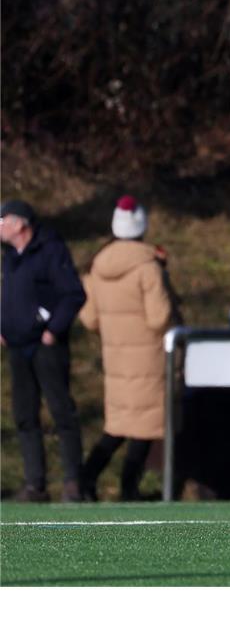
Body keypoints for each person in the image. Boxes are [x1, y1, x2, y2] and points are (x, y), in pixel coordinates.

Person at [77, 196, 173, 501]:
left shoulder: (96, 266)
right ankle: (128, 487)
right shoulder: (148, 267)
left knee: (118, 425)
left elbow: (89, 318)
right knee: (145, 425)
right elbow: (159, 317)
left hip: (116, 357)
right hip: (148, 358)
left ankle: (86, 478)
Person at [0, 199, 87, 502]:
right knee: (24, 416)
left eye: (3, 219)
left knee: (62, 411)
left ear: (21, 223)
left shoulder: (51, 250)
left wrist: (54, 329)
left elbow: (73, 294)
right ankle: (35, 484)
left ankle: (74, 482)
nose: (0, 226)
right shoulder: (10, 258)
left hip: (46, 346)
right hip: (18, 347)